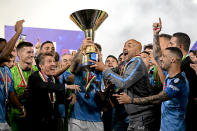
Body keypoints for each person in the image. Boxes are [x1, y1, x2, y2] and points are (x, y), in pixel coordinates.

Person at [90, 39, 160, 131]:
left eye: (129, 46)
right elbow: (109, 72)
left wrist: (104, 69)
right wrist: (98, 59)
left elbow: (124, 82)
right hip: (133, 116)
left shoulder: (137, 62)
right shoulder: (125, 64)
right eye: (124, 46)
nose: (125, 48)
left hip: (143, 115)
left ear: (137, 51)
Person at [114, 47, 189, 131]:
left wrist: (131, 100)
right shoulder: (169, 77)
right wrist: (155, 35)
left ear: (173, 59)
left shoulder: (179, 82)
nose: (160, 59)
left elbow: (158, 98)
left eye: (163, 56)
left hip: (175, 128)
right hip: (164, 127)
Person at [153, 18, 197, 131]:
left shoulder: (191, 65)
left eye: (171, 43)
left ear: (180, 46)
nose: (168, 46)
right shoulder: (173, 65)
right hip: (168, 122)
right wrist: (155, 34)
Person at [25, 53, 79, 131]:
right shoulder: (34, 77)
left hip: (52, 122)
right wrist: (67, 86)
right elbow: (45, 86)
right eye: (49, 61)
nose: (53, 64)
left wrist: (70, 95)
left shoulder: (54, 79)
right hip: (36, 123)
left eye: (54, 61)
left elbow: (58, 95)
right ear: (41, 66)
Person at [68, 38, 104, 131]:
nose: (92, 55)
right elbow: (72, 67)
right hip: (77, 118)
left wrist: (102, 69)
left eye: (95, 53)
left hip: (96, 119)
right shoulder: (80, 69)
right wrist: (81, 50)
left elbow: (104, 97)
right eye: (89, 52)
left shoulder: (104, 72)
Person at [0, 20, 25, 131]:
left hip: (4, 121)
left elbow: (11, 93)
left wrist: (20, 106)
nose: (9, 51)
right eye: (6, 47)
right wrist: (18, 32)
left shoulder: (6, 70)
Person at [7, 42, 38, 131]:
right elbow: (7, 99)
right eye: (28, 52)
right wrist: (22, 96)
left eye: (32, 52)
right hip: (17, 117)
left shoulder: (37, 71)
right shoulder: (11, 73)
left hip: (35, 117)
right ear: (19, 54)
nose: (32, 55)